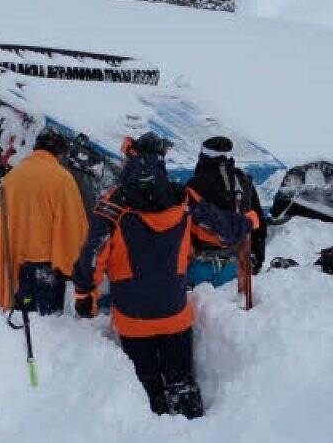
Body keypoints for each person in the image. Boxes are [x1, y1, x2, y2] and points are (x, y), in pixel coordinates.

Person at [72, 132, 251, 419]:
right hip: (175, 315)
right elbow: (222, 231)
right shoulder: (183, 198)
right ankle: (194, 432)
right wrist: (247, 221)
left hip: (133, 319)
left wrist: (84, 294)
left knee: (145, 390)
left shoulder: (112, 205)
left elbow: (91, 257)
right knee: (181, 382)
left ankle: (152, 431)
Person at [0, 128, 89, 316]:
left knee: (17, 322)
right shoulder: (63, 180)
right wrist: (76, 265)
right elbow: (73, 226)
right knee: (45, 328)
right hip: (46, 268)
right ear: (58, 153)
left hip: (14, 265)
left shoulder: (11, 178)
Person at [185, 136, 269, 288]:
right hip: (237, 267)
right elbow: (259, 223)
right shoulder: (243, 181)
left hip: (199, 268)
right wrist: (257, 260)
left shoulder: (193, 186)